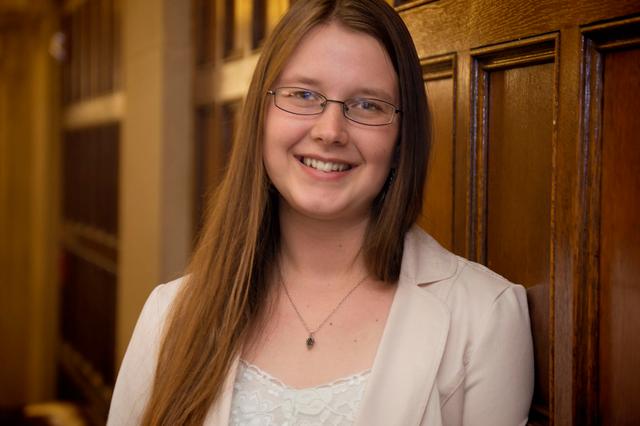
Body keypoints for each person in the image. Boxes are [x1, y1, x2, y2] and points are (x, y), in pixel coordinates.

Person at [107, 0, 534, 424]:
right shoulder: (169, 315)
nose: (330, 131)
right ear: (261, 114)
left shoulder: (485, 319)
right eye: (304, 95)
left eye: (368, 104)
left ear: (402, 137)